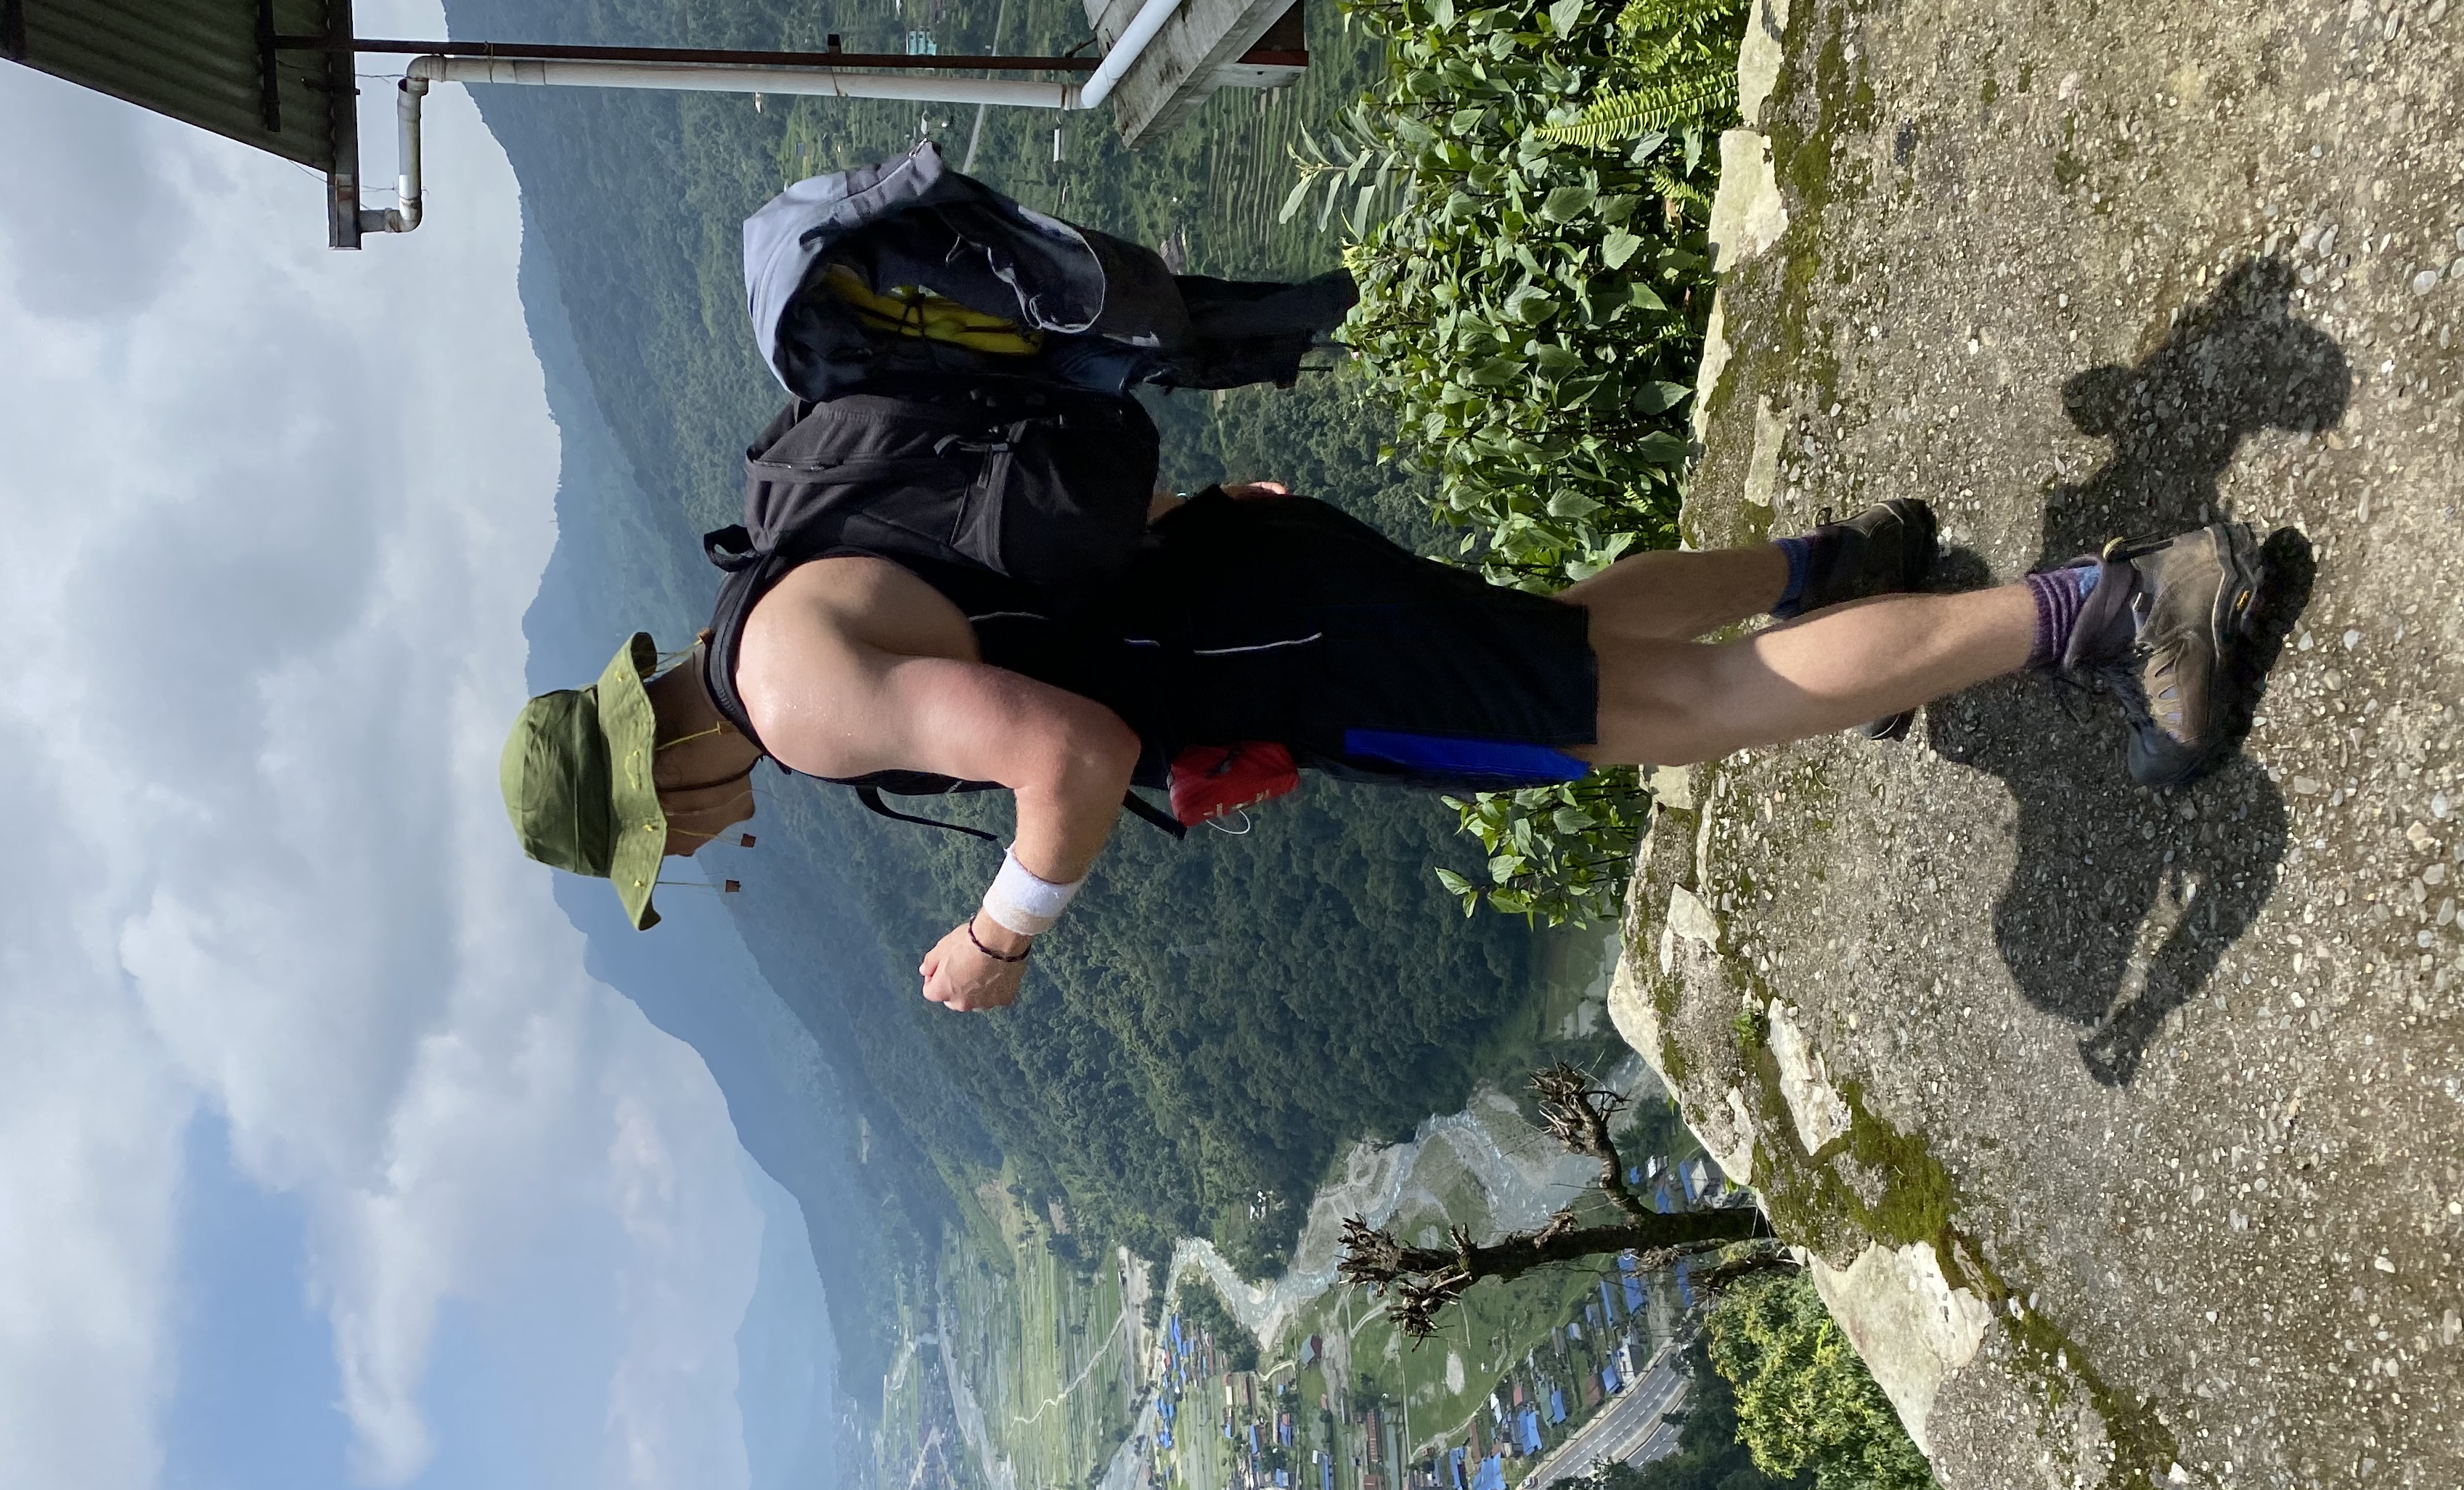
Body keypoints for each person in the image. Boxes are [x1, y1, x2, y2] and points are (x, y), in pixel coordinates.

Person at [502, 490, 2263, 1011]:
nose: (724, 837)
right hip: (1255, 587)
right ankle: (1839, 573)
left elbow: (1074, 751)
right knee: (1569, 631)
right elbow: (1027, 579)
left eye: (683, 836)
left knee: (1680, 714)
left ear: (669, 778)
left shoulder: (796, 706)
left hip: (1289, 648)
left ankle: (2119, 609)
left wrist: (997, 936)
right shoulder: (775, 576)